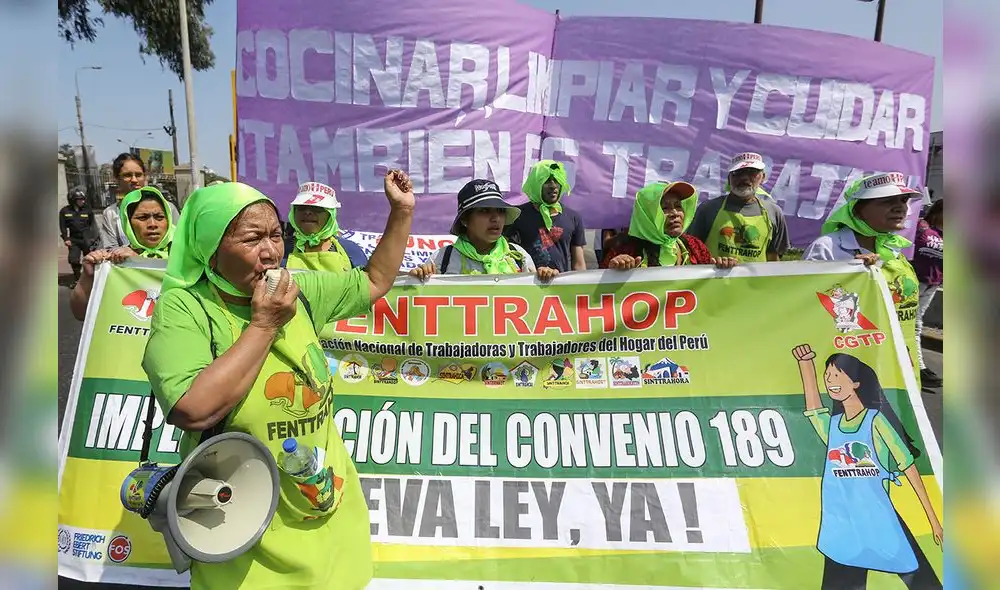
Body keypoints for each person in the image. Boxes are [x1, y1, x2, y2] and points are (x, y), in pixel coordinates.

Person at [140, 171, 415, 589]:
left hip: (326, 512)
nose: (270, 252)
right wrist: (264, 324)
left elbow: (375, 281)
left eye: (275, 235)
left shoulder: (299, 291)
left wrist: (402, 212)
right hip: (240, 527)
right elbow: (193, 409)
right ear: (210, 248)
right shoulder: (184, 307)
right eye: (252, 240)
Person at [791, 345, 942, 589]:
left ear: (856, 384)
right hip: (843, 527)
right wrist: (805, 363)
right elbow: (814, 409)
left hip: (878, 520)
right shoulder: (833, 426)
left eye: (837, 376)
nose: (831, 382)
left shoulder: (875, 421)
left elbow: (909, 467)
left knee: (923, 582)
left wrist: (934, 521)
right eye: (827, 377)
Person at [802, 172, 924, 380]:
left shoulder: (894, 249)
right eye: (887, 201)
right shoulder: (828, 248)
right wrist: (854, 277)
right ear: (858, 211)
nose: (900, 207)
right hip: (853, 366)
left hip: (900, 362)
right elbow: (806, 307)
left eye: (903, 200)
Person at [409, 179, 558, 281]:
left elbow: (536, 302)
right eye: (485, 211)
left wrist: (546, 279)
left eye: (500, 211)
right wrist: (419, 278)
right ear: (465, 220)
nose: (496, 218)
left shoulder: (519, 257)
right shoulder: (442, 259)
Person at [68, 186, 176, 321]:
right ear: (128, 222)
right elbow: (80, 313)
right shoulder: (114, 261)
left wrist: (143, 263)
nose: (152, 224)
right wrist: (88, 276)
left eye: (160, 217)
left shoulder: (186, 256)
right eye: (142, 217)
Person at [600, 181, 738, 269]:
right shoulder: (625, 249)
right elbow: (601, 297)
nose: (675, 213)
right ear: (646, 215)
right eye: (665, 208)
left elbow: (709, 289)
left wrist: (722, 269)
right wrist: (614, 270)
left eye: (678, 206)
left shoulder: (694, 246)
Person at [688, 152, 790, 262]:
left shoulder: (773, 213)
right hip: (715, 279)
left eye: (752, 172)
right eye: (738, 172)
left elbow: (773, 259)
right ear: (729, 178)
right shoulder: (709, 209)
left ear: (763, 177)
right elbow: (691, 250)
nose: (744, 178)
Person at [505, 160, 587, 271]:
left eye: (557, 180)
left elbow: (579, 263)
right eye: (547, 181)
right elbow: (505, 253)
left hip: (561, 285)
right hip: (529, 284)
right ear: (536, 183)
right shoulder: (517, 215)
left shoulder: (573, 217)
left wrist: (580, 286)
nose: (553, 186)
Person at [97, 153, 179, 248]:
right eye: (127, 175)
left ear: (145, 176)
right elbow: (110, 249)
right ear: (117, 178)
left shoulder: (167, 208)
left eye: (139, 175)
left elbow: (180, 242)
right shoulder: (111, 213)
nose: (134, 180)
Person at [282, 181, 368, 272]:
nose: (307, 212)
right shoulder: (280, 249)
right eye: (301, 207)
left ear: (330, 215)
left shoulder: (351, 251)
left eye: (317, 208)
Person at [912, 200, 943, 387]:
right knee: (913, 324)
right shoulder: (921, 226)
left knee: (915, 324)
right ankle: (919, 367)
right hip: (912, 282)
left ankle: (917, 367)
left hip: (931, 285)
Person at [59, 186, 98, 287]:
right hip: (74, 239)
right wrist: (66, 239)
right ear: (73, 200)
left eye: (83, 199)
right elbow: (62, 226)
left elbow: (92, 225)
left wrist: (93, 238)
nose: (83, 201)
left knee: (90, 259)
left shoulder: (87, 210)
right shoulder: (65, 211)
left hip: (86, 238)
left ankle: (92, 279)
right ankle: (77, 280)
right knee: (73, 259)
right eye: (80, 200)